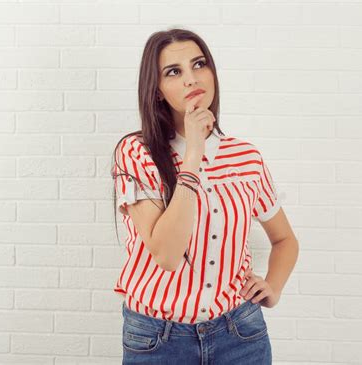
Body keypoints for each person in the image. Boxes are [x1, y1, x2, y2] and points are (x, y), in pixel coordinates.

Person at [111, 28, 298, 365]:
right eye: (174, 71)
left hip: (241, 335)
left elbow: (284, 239)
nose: (191, 78)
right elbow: (167, 255)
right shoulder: (137, 152)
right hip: (158, 340)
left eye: (199, 64)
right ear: (156, 90)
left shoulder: (246, 158)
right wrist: (194, 153)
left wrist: (273, 285)